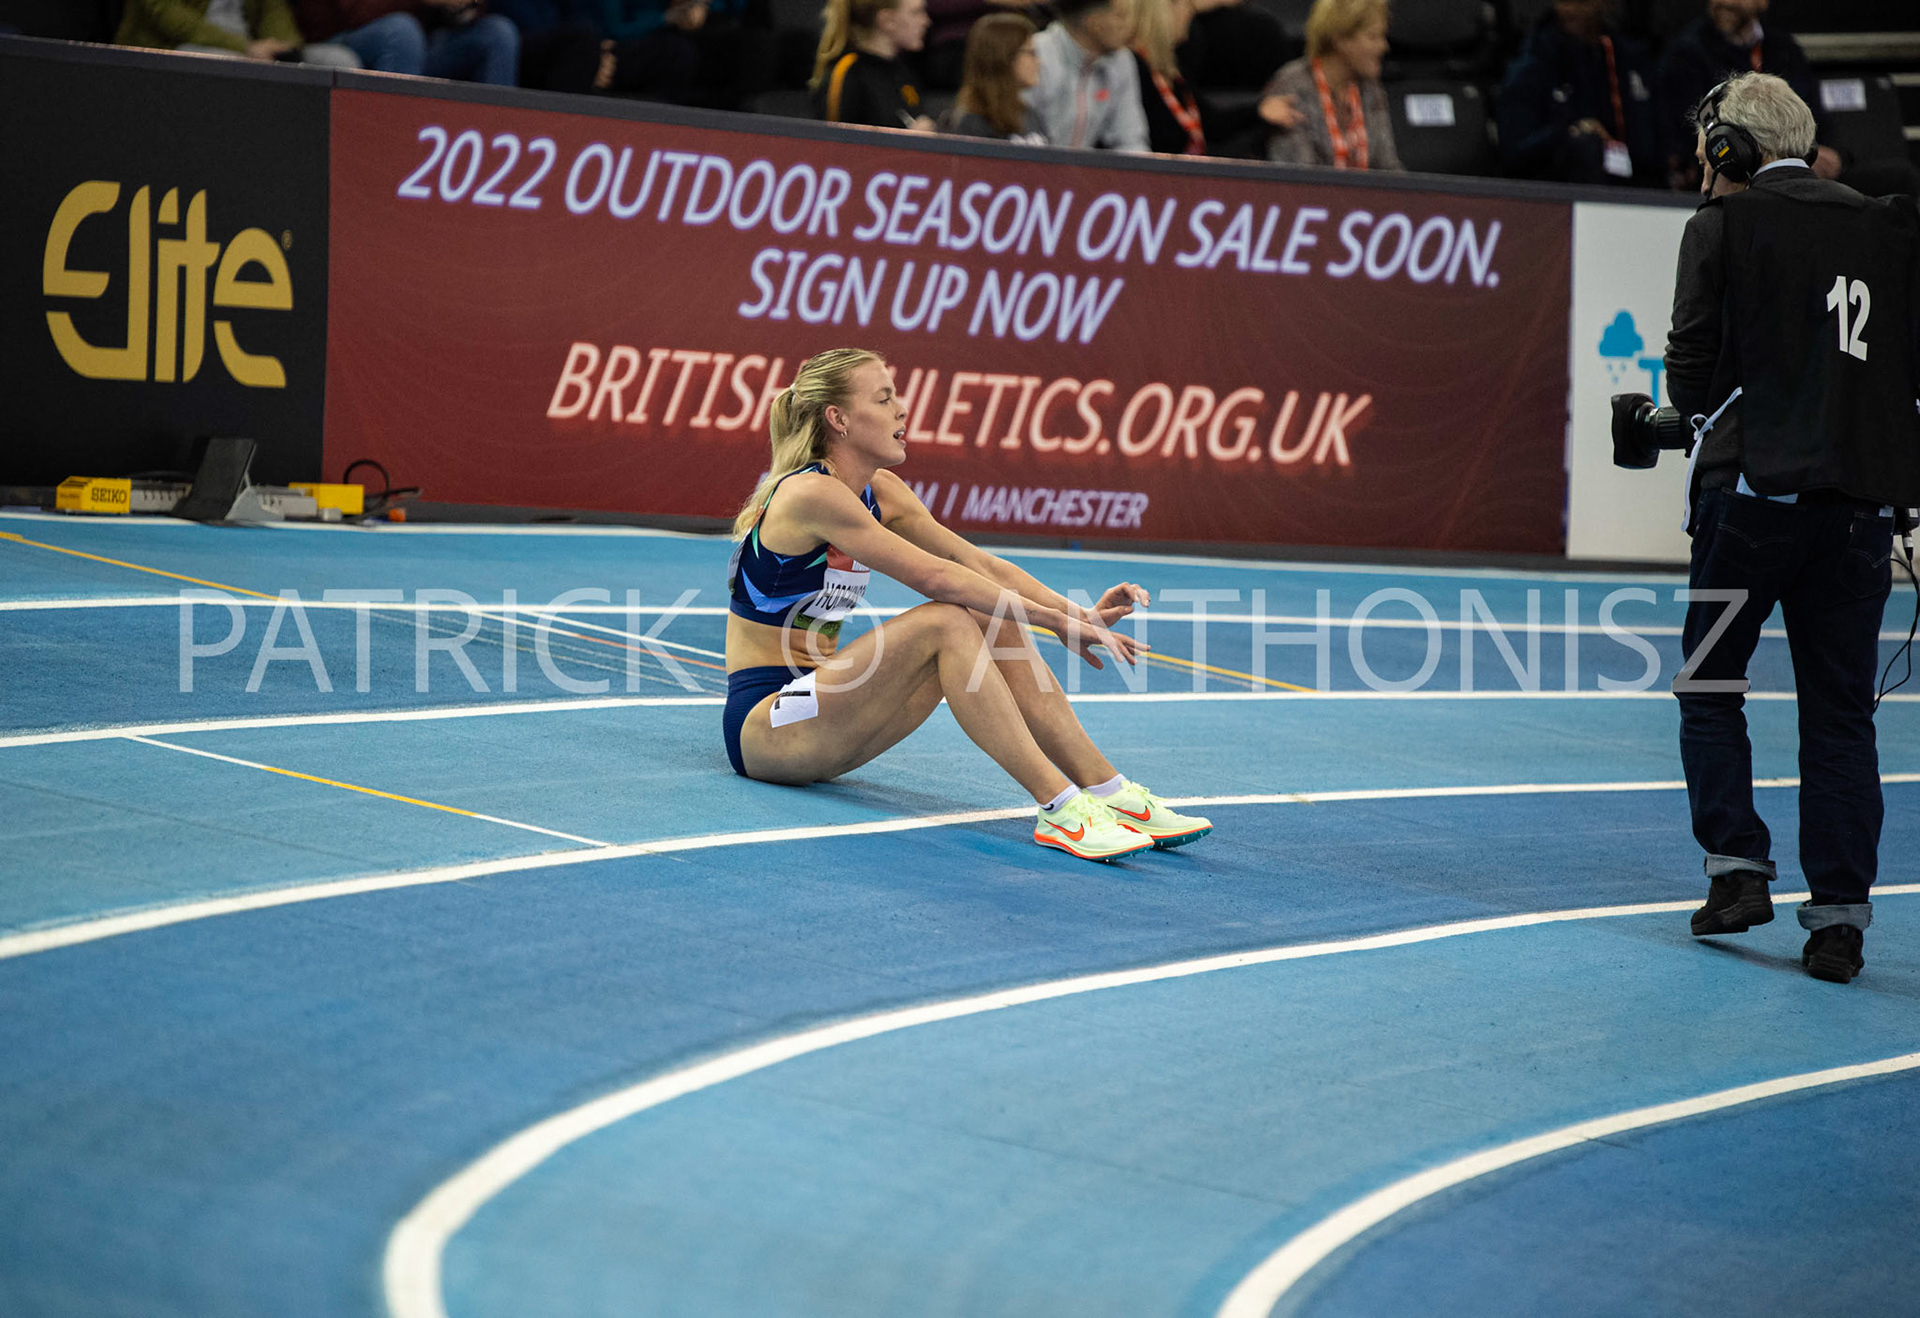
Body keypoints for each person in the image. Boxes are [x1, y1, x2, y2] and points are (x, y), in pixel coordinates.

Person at [723, 348, 1214, 863]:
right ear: (839, 419)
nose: (902, 410)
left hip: (831, 714)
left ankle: (1112, 792)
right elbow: (935, 576)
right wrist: (1048, 623)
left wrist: (1075, 617)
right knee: (946, 622)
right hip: (766, 727)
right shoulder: (810, 494)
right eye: (884, 398)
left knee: (984, 612)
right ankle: (1061, 807)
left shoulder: (881, 491)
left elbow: (974, 562)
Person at [1662, 73, 1920, 983]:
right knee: (1843, 715)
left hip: (1752, 505)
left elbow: (1691, 371)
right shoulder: (1889, 228)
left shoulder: (1722, 227)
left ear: (1731, 150)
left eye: (1706, 156)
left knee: (1709, 685)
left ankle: (1737, 871)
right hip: (1856, 518)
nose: (1701, 174)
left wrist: (1688, 415)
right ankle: (1840, 924)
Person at [1657, 0, 1919, 199]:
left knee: (1899, 178)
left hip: (1802, 167)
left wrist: (1835, 156)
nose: (1724, 3)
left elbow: (1817, 119)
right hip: (1742, 170)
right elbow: (1693, 137)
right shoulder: (1688, 53)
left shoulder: (1784, 48)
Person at [1497, 0, 1660, 186]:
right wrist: (1570, 131)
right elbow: (1514, 151)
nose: (1569, 9)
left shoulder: (1629, 58)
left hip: (1633, 180)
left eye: (1581, 2)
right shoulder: (1533, 63)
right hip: (1557, 184)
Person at [1132, 0, 1298, 157]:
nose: (1189, 16)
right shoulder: (1136, 70)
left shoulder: (1173, 73)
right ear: (1162, 14)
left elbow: (1210, 123)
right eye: (1184, 7)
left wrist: (1258, 111)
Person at [1262, 0, 1398, 170]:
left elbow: (1388, 166)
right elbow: (1296, 175)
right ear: (1340, 39)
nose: (1383, 47)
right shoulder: (1293, 84)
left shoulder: (1371, 88)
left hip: (1366, 195)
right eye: (1373, 37)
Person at [1025, 0, 1148, 153]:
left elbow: (1131, 140)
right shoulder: (1034, 54)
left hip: (1084, 172)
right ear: (1094, 22)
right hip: (1033, 167)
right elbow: (1024, 135)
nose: (1129, 25)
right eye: (1120, 16)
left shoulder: (1122, 61)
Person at [293, 0, 520, 81]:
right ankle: (394, 150)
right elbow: (353, 15)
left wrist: (462, 8)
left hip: (418, 48)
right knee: (402, 31)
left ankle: (496, 150)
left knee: (497, 32)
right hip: (345, 41)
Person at [115, 0, 360, 65]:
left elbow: (274, 10)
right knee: (229, 65)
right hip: (173, 46)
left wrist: (286, 47)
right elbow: (166, 15)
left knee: (340, 61)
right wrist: (244, 48)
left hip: (252, 49)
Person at [811, 0, 934, 129]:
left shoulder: (903, 71)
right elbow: (832, 143)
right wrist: (907, 141)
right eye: (916, 12)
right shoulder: (849, 73)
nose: (926, 21)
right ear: (887, 20)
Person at [936, 13, 1045, 142]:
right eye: (1031, 53)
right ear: (1005, 57)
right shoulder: (970, 124)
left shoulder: (1029, 115)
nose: (1039, 62)